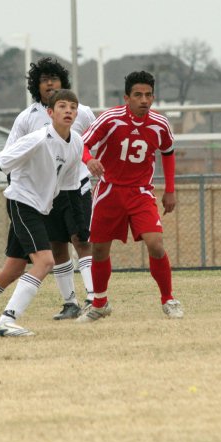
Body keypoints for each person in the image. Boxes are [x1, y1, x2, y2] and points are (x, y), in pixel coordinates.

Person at [0, 89, 85, 337]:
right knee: (46, 261)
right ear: (50, 113)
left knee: (12, 270)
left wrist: (80, 224)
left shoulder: (76, 142)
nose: (69, 111)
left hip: (41, 207)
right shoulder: (38, 139)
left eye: (73, 107)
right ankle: (6, 321)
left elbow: (72, 188)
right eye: (62, 106)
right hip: (22, 203)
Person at [76, 70, 183, 322]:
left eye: (148, 95)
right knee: (99, 250)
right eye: (138, 95)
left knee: (155, 244)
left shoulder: (160, 124)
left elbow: (168, 152)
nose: (143, 100)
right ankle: (100, 303)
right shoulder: (110, 119)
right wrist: (89, 160)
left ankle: (168, 299)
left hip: (141, 192)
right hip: (109, 191)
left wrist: (170, 190)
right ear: (127, 97)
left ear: (153, 97)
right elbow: (81, 143)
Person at [6, 57, 96, 320]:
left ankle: (94, 298)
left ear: (62, 82)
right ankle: (70, 302)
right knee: (57, 246)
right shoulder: (27, 118)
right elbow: (10, 154)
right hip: (45, 193)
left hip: (76, 187)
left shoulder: (83, 112)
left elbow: (97, 141)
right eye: (44, 80)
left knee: (82, 240)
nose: (49, 84)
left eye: (54, 79)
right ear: (37, 86)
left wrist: (93, 163)